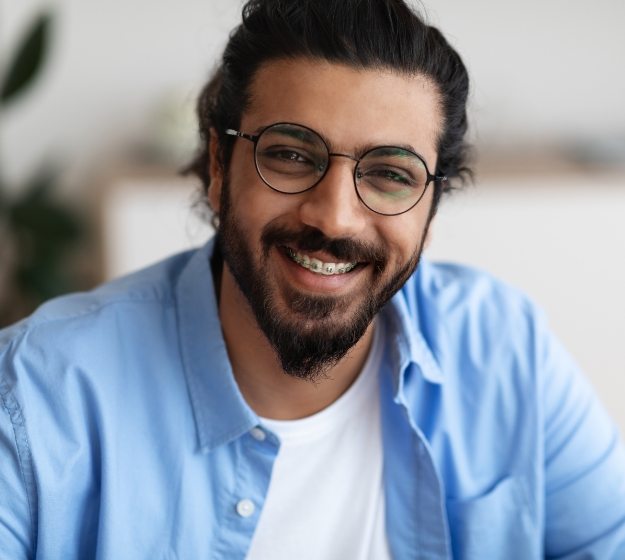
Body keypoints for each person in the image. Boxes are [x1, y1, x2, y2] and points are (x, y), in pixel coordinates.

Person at [1, 0, 624, 558]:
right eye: (292, 156)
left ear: (431, 210)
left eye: (391, 173)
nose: (334, 216)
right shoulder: (35, 394)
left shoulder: (505, 346)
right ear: (219, 166)